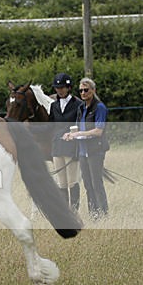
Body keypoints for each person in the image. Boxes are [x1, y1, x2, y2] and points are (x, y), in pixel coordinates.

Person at [63, 77, 110, 219]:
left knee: (97, 184)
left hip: (96, 150)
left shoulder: (99, 107)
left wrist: (79, 133)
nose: (83, 93)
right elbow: (78, 128)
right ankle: (93, 214)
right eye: (81, 91)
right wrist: (70, 134)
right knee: (88, 185)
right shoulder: (81, 108)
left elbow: (98, 131)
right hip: (82, 152)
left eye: (86, 90)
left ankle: (104, 213)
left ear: (93, 90)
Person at [49, 73, 83, 212]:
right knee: (61, 182)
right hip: (57, 147)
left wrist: (74, 135)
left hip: (71, 146)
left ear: (69, 87)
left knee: (72, 181)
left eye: (62, 87)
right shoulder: (54, 105)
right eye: (57, 88)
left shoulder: (78, 104)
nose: (60, 90)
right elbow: (51, 125)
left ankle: (74, 210)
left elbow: (81, 124)